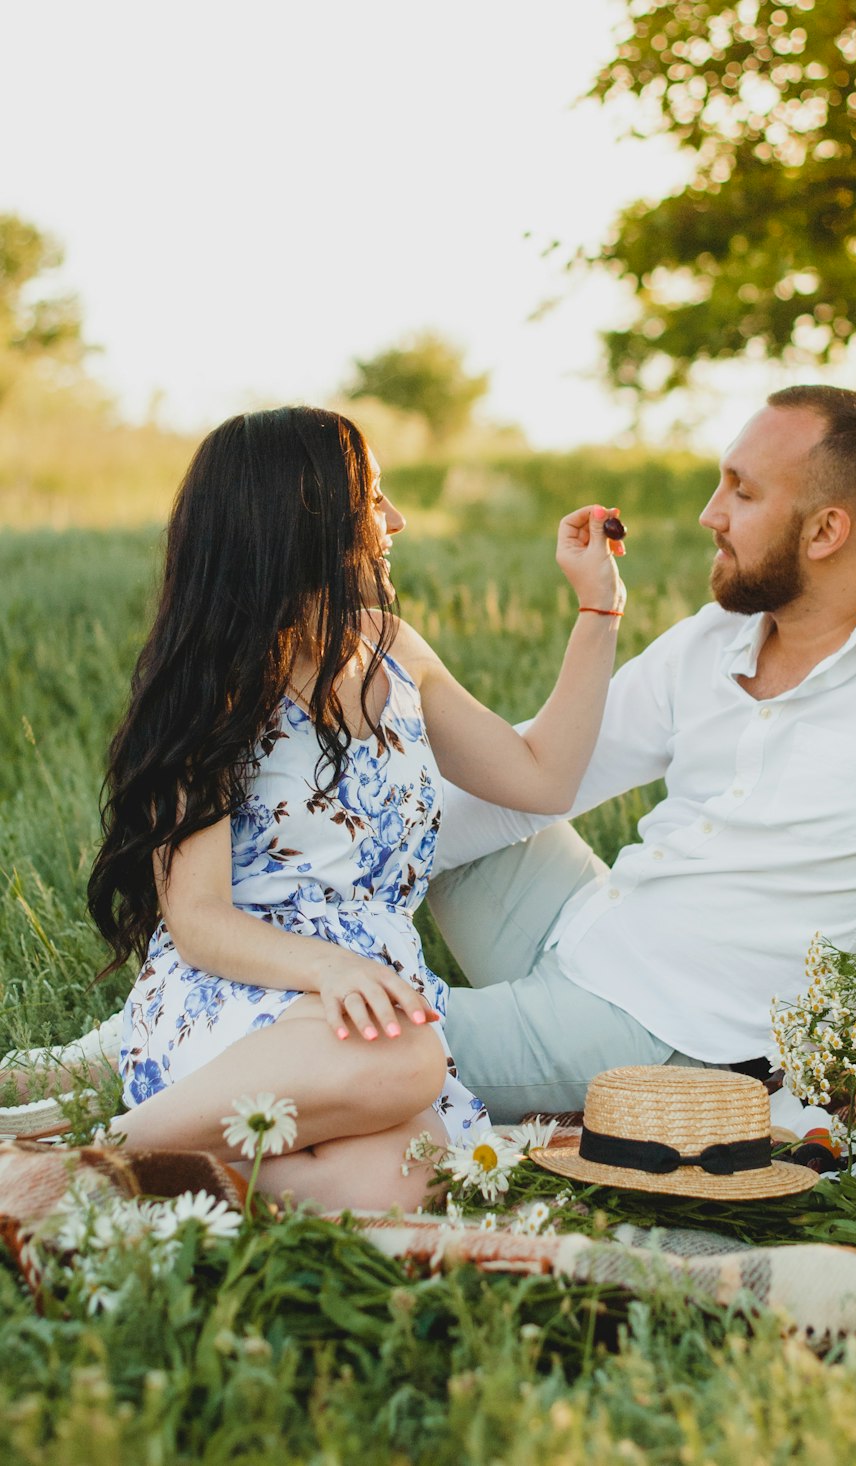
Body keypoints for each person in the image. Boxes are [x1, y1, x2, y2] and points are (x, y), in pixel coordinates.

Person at [81, 405, 625, 1209]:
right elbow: (198, 917)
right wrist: (331, 968)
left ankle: (147, 1182)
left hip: (364, 1004)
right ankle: (104, 1154)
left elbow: (543, 778)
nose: (395, 519)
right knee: (408, 1063)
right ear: (304, 522)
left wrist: (599, 610)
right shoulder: (217, 685)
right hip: (243, 992)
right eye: (374, 499)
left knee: (413, 1171)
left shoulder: (393, 649)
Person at [427, 386, 856, 1122]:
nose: (710, 513)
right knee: (421, 811)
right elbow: (537, 779)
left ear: (825, 531)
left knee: (344, 1046)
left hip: (681, 1040)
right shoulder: (710, 641)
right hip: (590, 928)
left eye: (743, 492)